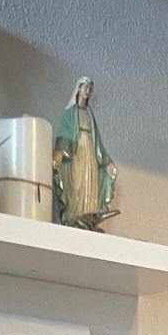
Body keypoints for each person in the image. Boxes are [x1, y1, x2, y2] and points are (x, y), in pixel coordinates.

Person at [54, 77, 118, 230]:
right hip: (77, 152)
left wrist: (106, 161)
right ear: (79, 89)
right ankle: (74, 215)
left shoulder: (89, 114)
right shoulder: (70, 113)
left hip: (89, 151)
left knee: (89, 183)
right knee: (77, 183)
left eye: (90, 89)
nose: (88, 91)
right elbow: (65, 135)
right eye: (86, 88)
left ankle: (87, 215)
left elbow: (98, 144)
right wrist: (60, 153)